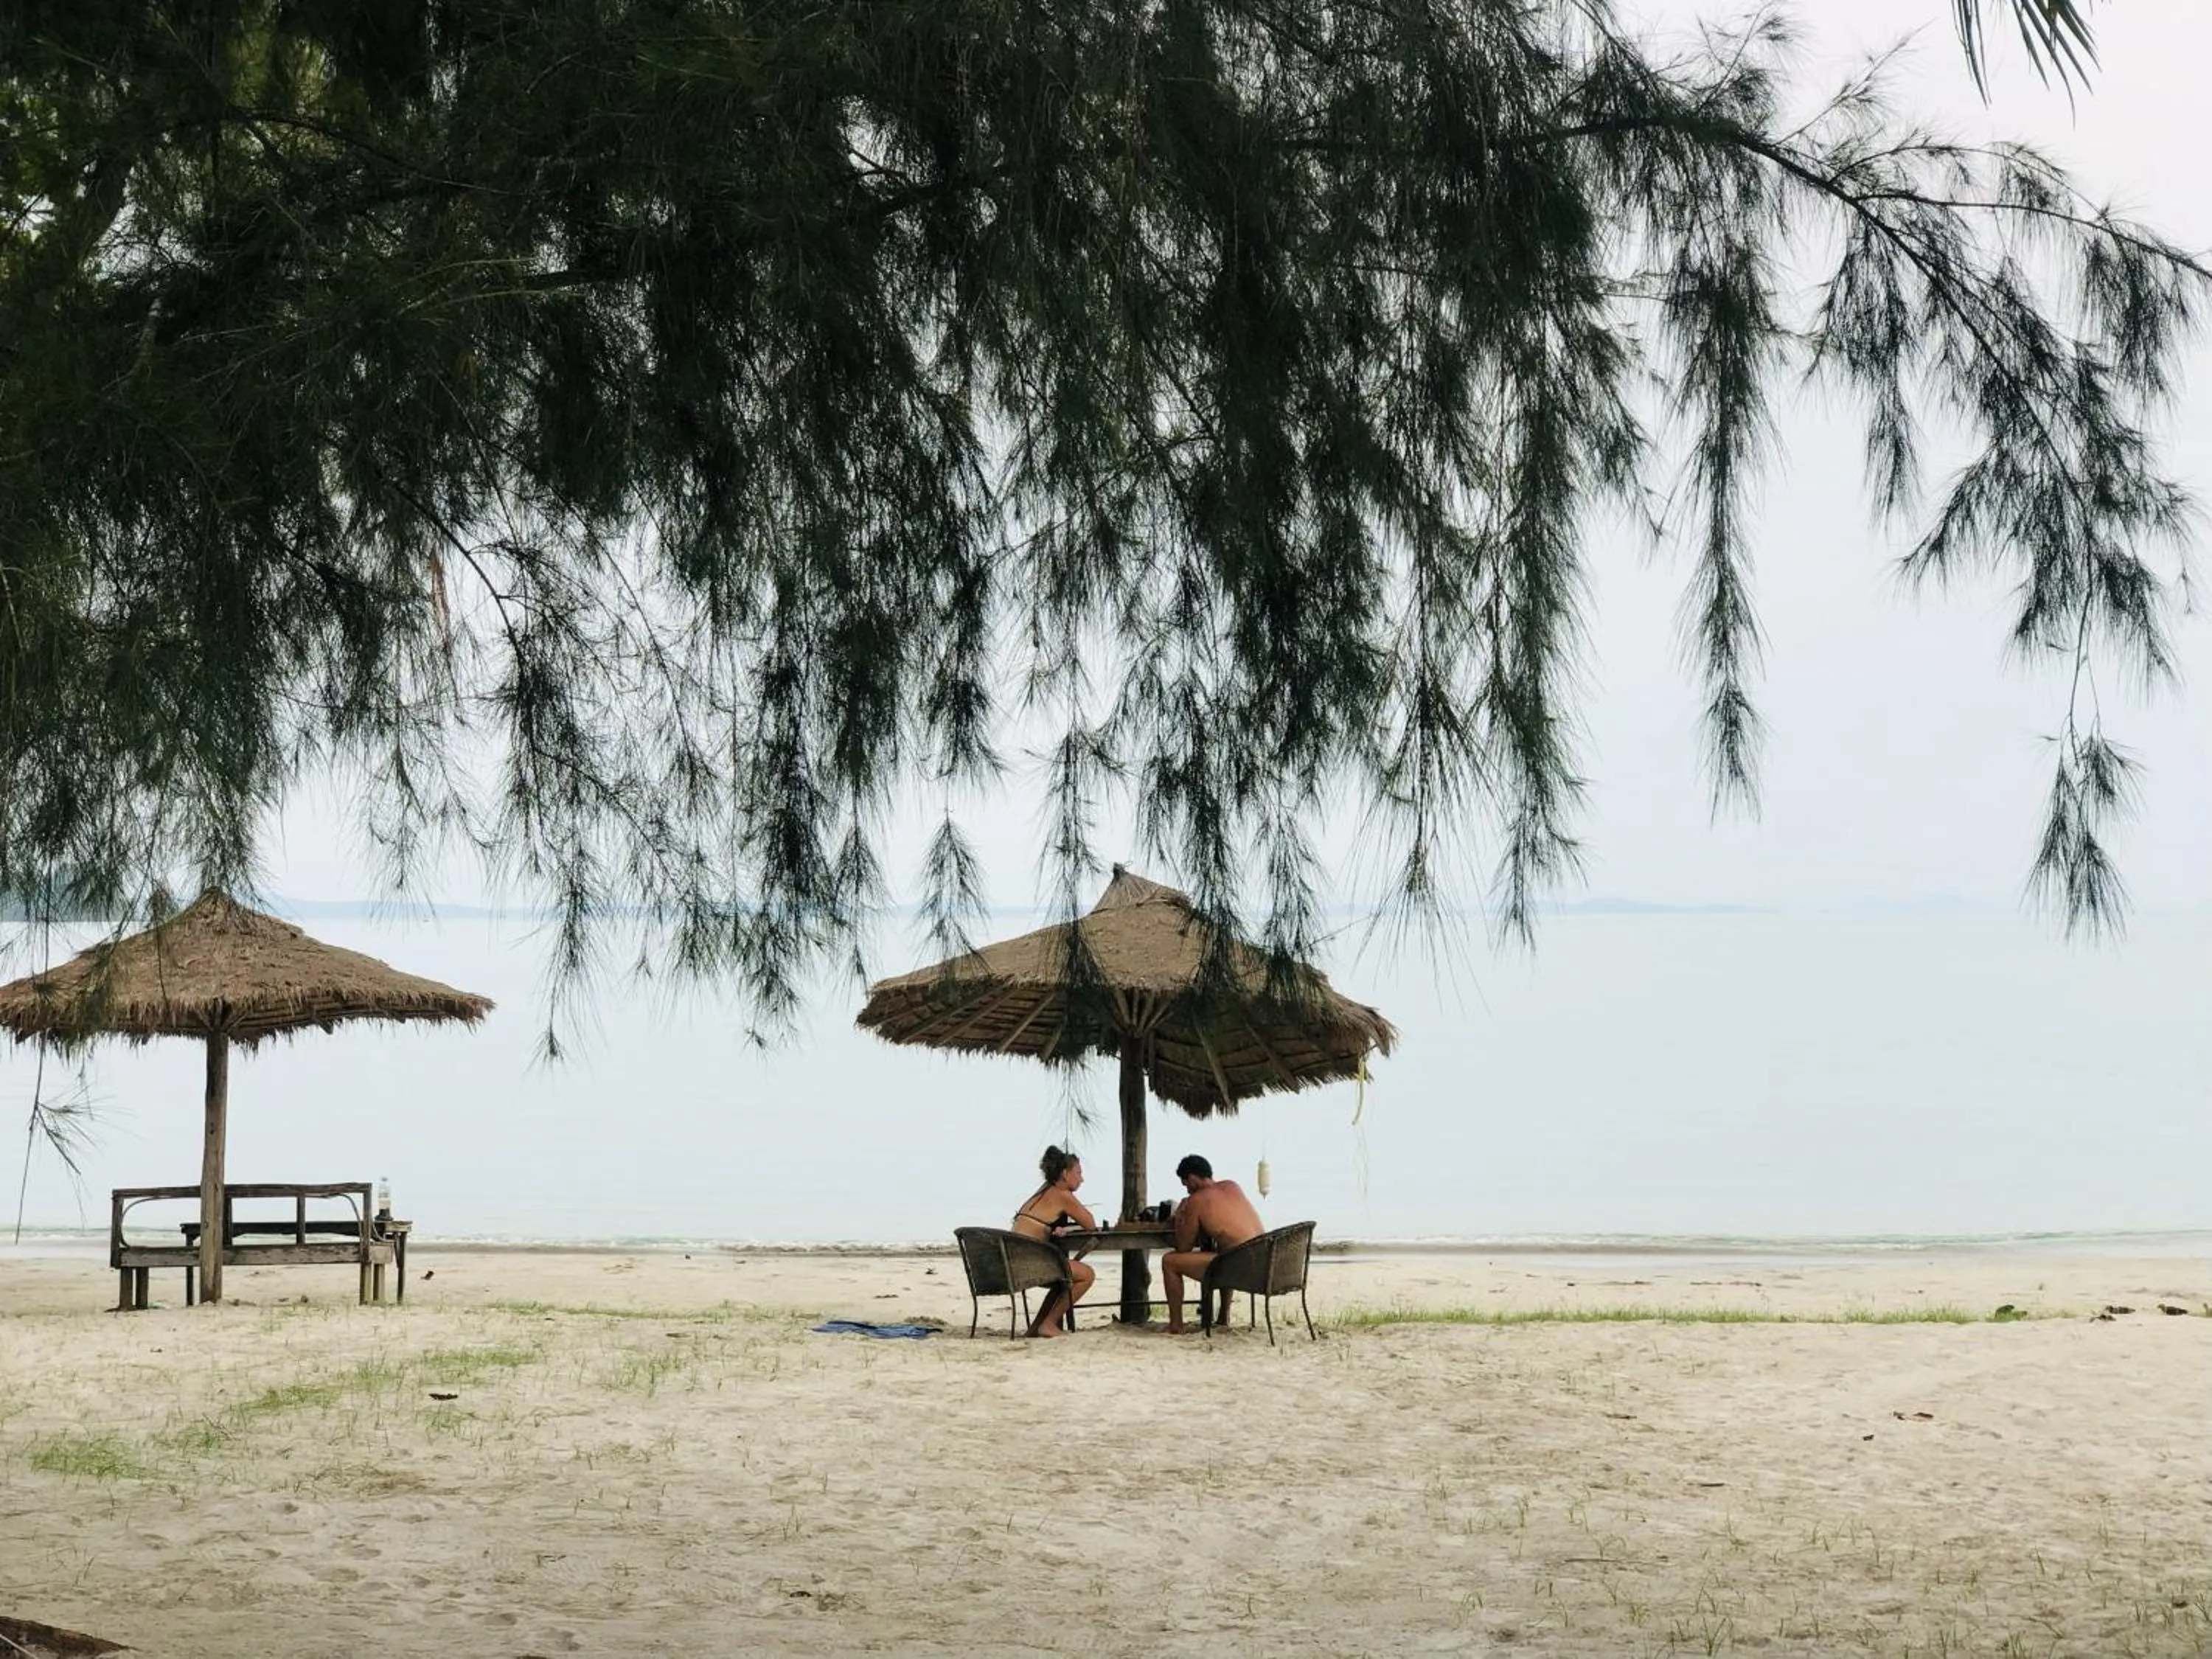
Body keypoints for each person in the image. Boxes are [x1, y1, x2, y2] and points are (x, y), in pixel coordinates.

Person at [1160, 1153, 1263, 1334]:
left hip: (1240, 1268)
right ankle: (1223, 1317)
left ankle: (1176, 1325)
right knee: (1225, 1250)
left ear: (1192, 1178)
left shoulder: (1196, 1200)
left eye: (1185, 1184)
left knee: (1169, 1261)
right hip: (1263, 1261)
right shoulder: (1233, 1186)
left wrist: (1180, 1216)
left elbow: (1184, 1248)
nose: (1187, 1190)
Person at [1010, 1145, 1097, 1337]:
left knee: (1062, 1280)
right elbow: (1091, 1224)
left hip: (1014, 1262)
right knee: (1087, 1275)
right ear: (1065, 1174)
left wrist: (1064, 1228)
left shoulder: (1043, 1192)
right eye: (1079, 1173)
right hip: (1027, 1265)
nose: (1082, 1179)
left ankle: (1037, 1328)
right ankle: (1049, 1324)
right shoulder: (1062, 1195)